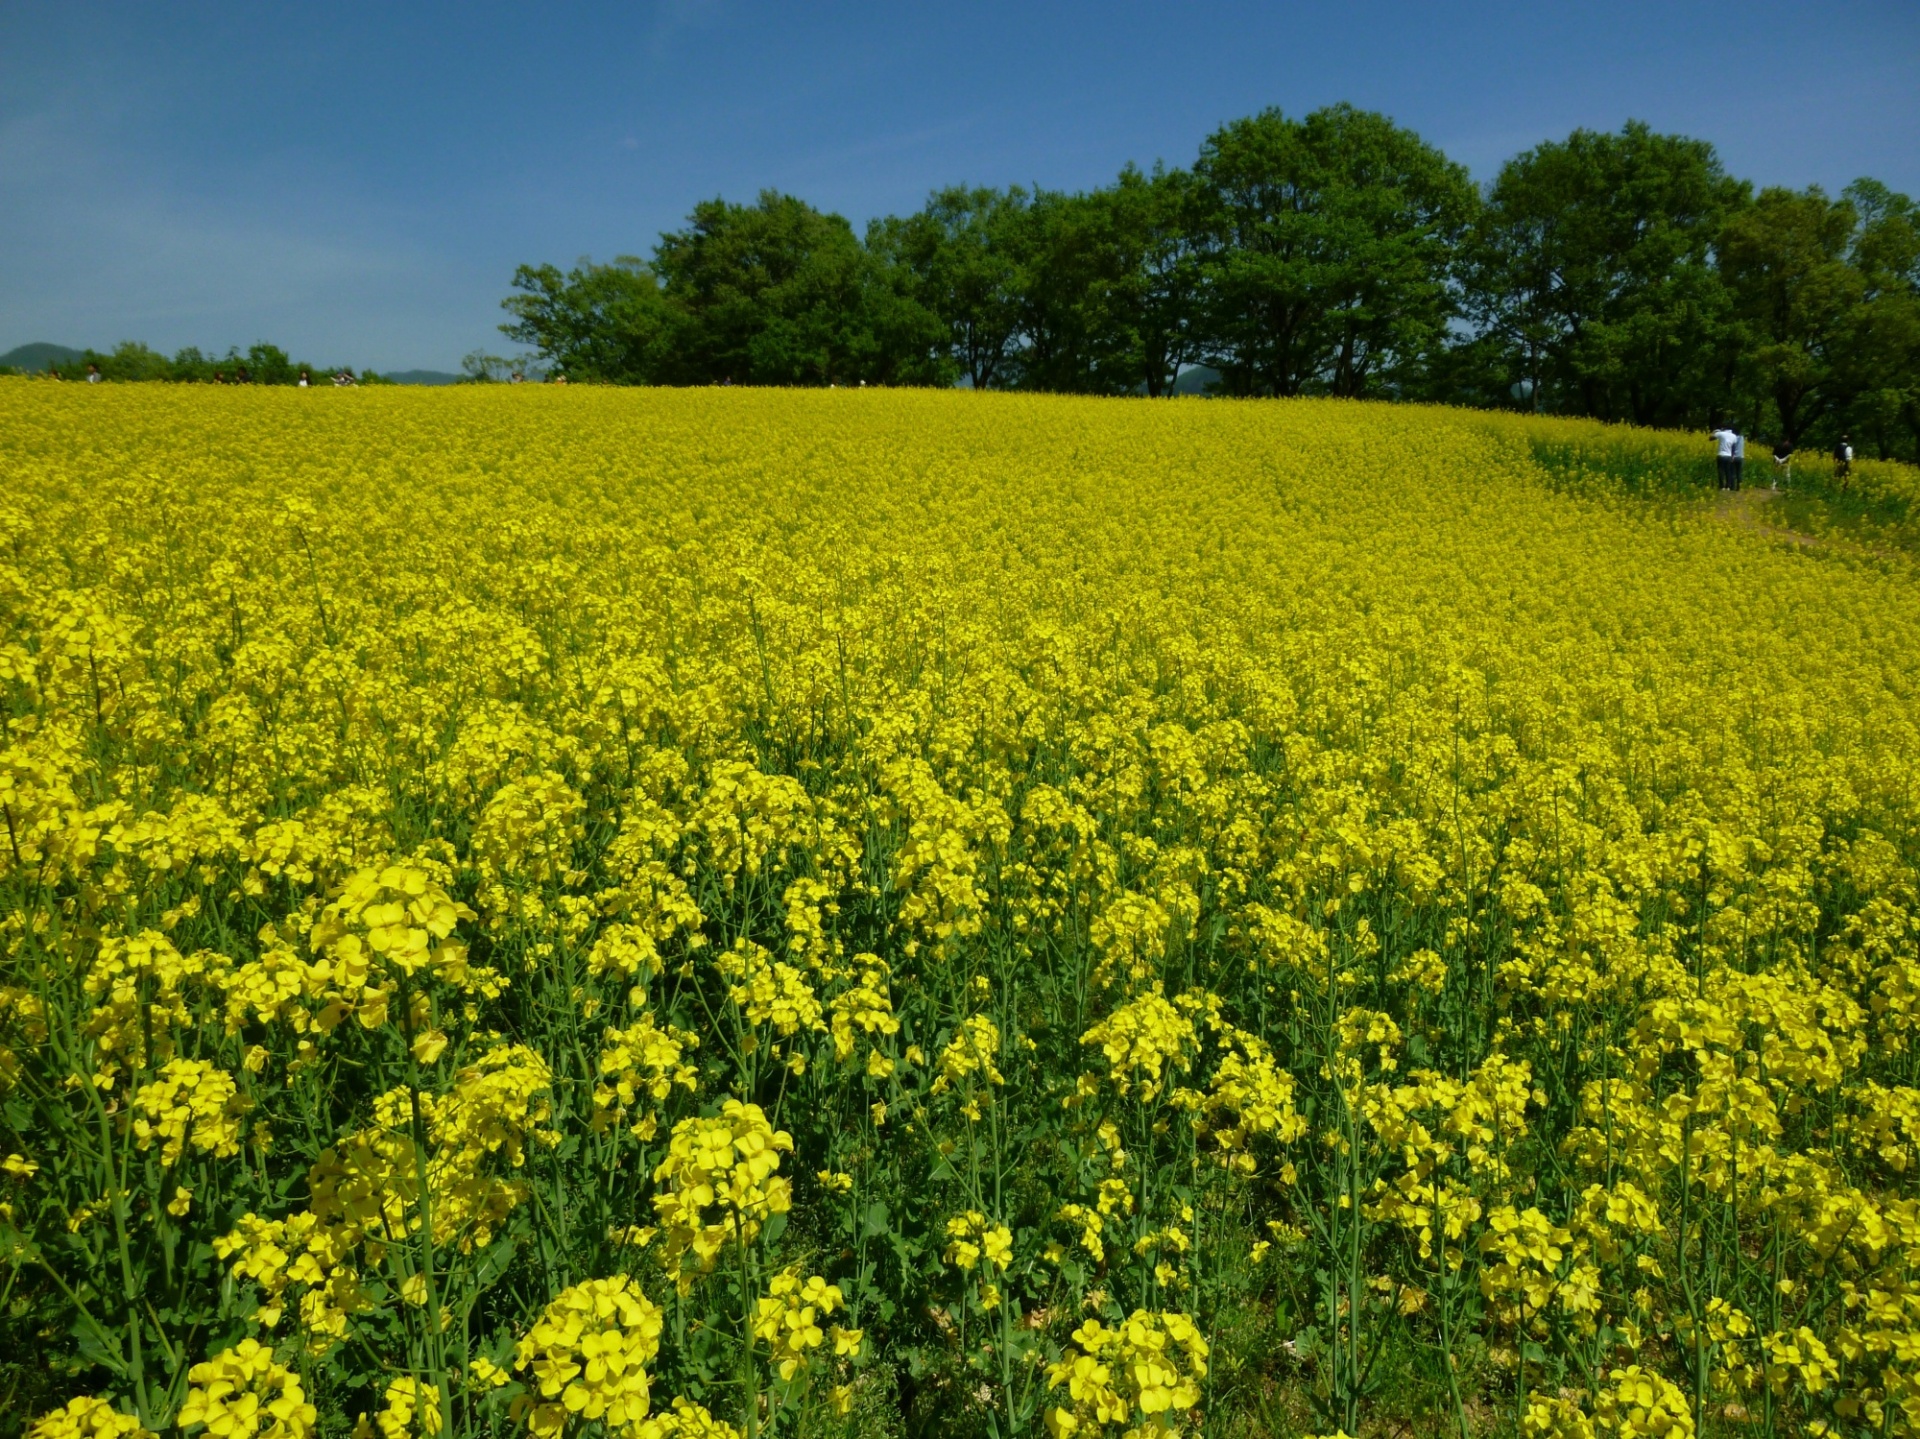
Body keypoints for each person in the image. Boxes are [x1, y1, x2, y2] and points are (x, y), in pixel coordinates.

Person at [1711, 422, 1737, 490]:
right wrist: (1733, 456)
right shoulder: (1734, 436)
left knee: (1721, 471)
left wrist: (1715, 431)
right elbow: (1733, 447)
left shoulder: (1721, 433)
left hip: (1721, 455)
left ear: (1723, 428)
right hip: (1729, 456)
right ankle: (1728, 486)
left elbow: (1711, 438)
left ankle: (1722, 486)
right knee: (1727, 471)